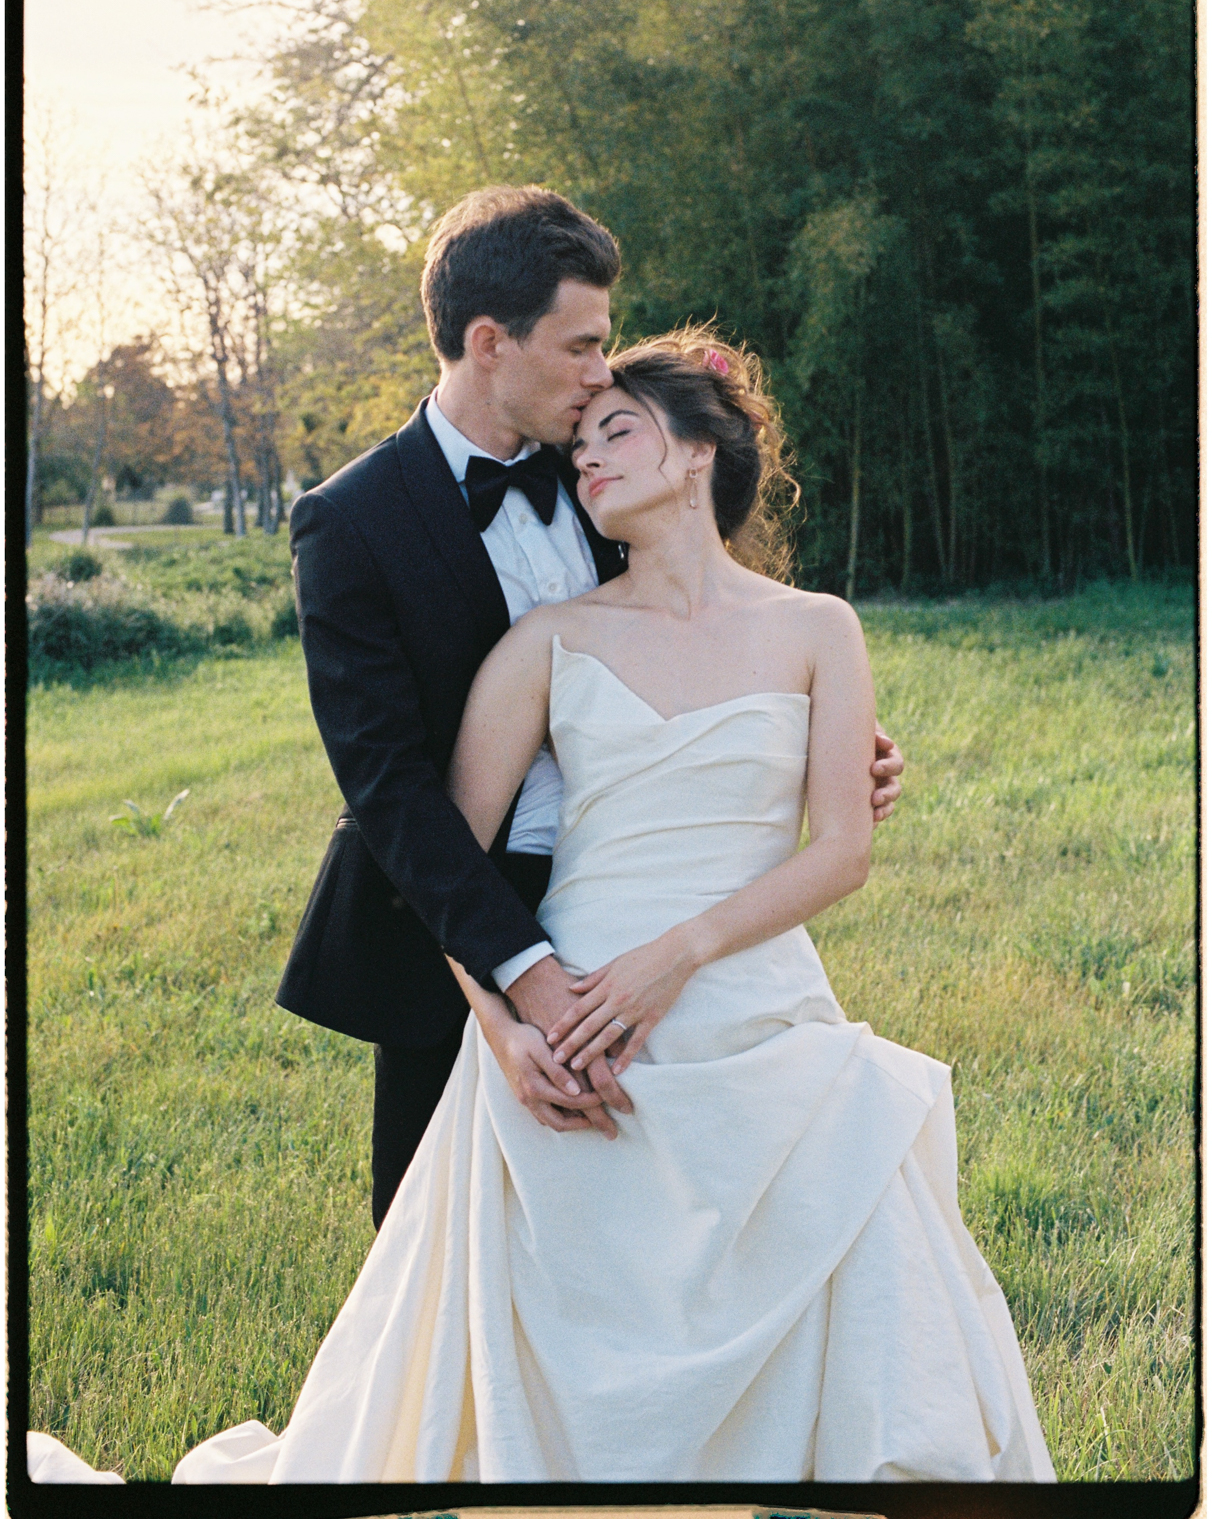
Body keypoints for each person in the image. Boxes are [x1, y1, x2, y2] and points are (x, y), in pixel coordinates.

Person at [157, 328, 1051, 1483]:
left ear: (696, 455)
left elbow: (843, 850)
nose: (583, 458)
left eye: (614, 432)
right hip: (565, 1003)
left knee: (841, 1214)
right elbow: (446, 862)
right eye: (578, 445)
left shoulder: (820, 626)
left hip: (755, 996)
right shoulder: (546, 638)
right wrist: (506, 1031)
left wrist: (683, 952)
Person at [273, 184, 903, 1228]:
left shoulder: (603, 466)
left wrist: (825, 745)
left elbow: (704, 634)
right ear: (490, 342)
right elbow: (390, 788)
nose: (601, 373)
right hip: (460, 899)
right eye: (581, 345)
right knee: (443, 1248)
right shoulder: (352, 523)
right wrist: (510, 998)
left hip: (653, 880)